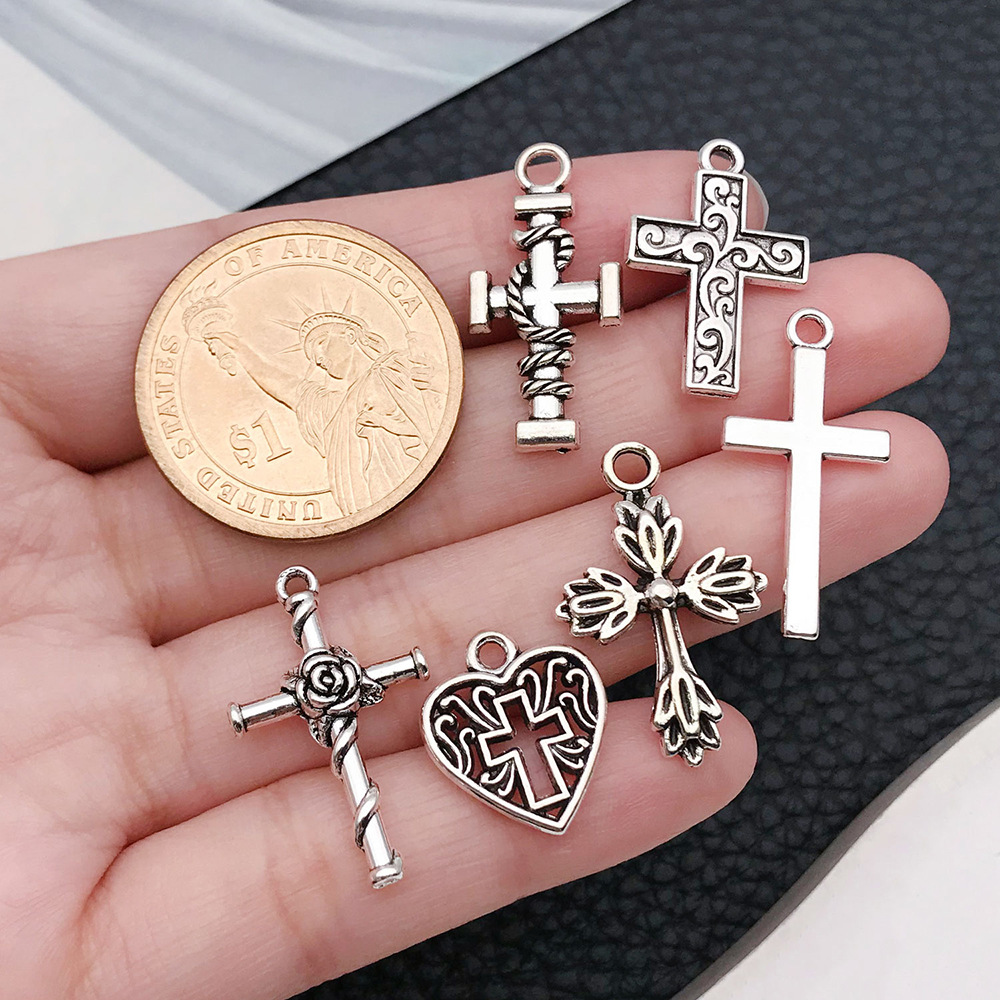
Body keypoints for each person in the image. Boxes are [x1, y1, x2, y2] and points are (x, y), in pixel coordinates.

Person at [0, 150, 949, 1000]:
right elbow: (288, 390)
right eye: (317, 353)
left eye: (331, 349)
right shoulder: (322, 403)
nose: (321, 361)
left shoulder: (377, 393)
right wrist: (232, 352)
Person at [191, 297, 438, 515]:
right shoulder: (332, 406)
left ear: (350, 336)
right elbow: (283, 385)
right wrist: (238, 347)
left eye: (320, 343)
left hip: (423, 493)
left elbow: (432, 416)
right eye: (311, 356)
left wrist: (430, 383)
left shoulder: (397, 368)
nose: (318, 359)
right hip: (372, 504)